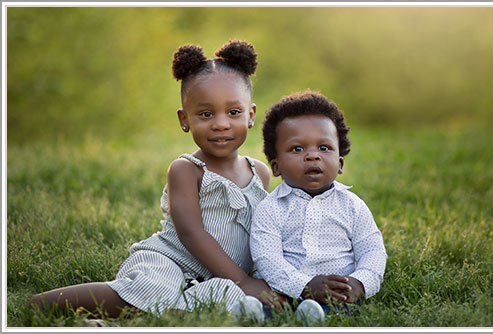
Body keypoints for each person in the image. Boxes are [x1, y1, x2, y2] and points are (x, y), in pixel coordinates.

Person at [30, 40, 283, 321]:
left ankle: (126, 319)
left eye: (233, 112)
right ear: (184, 119)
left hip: (219, 275)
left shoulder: (259, 172)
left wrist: (258, 277)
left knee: (225, 300)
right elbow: (191, 233)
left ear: (250, 115)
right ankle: (42, 303)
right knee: (153, 291)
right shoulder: (186, 170)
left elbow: (262, 234)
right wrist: (244, 281)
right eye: (206, 114)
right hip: (170, 262)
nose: (221, 123)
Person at [249, 90, 387, 322]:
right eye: (297, 149)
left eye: (324, 148)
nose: (313, 156)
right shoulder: (270, 208)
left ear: (340, 163)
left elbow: (372, 250)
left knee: (342, 309)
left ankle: (317, 316)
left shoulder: (353, 206)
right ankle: (252, 313)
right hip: (285, 290)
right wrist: (303, 286)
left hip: (337, 291)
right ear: (276, 167)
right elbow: (266, 258)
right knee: (269, 304)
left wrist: (361, 282)